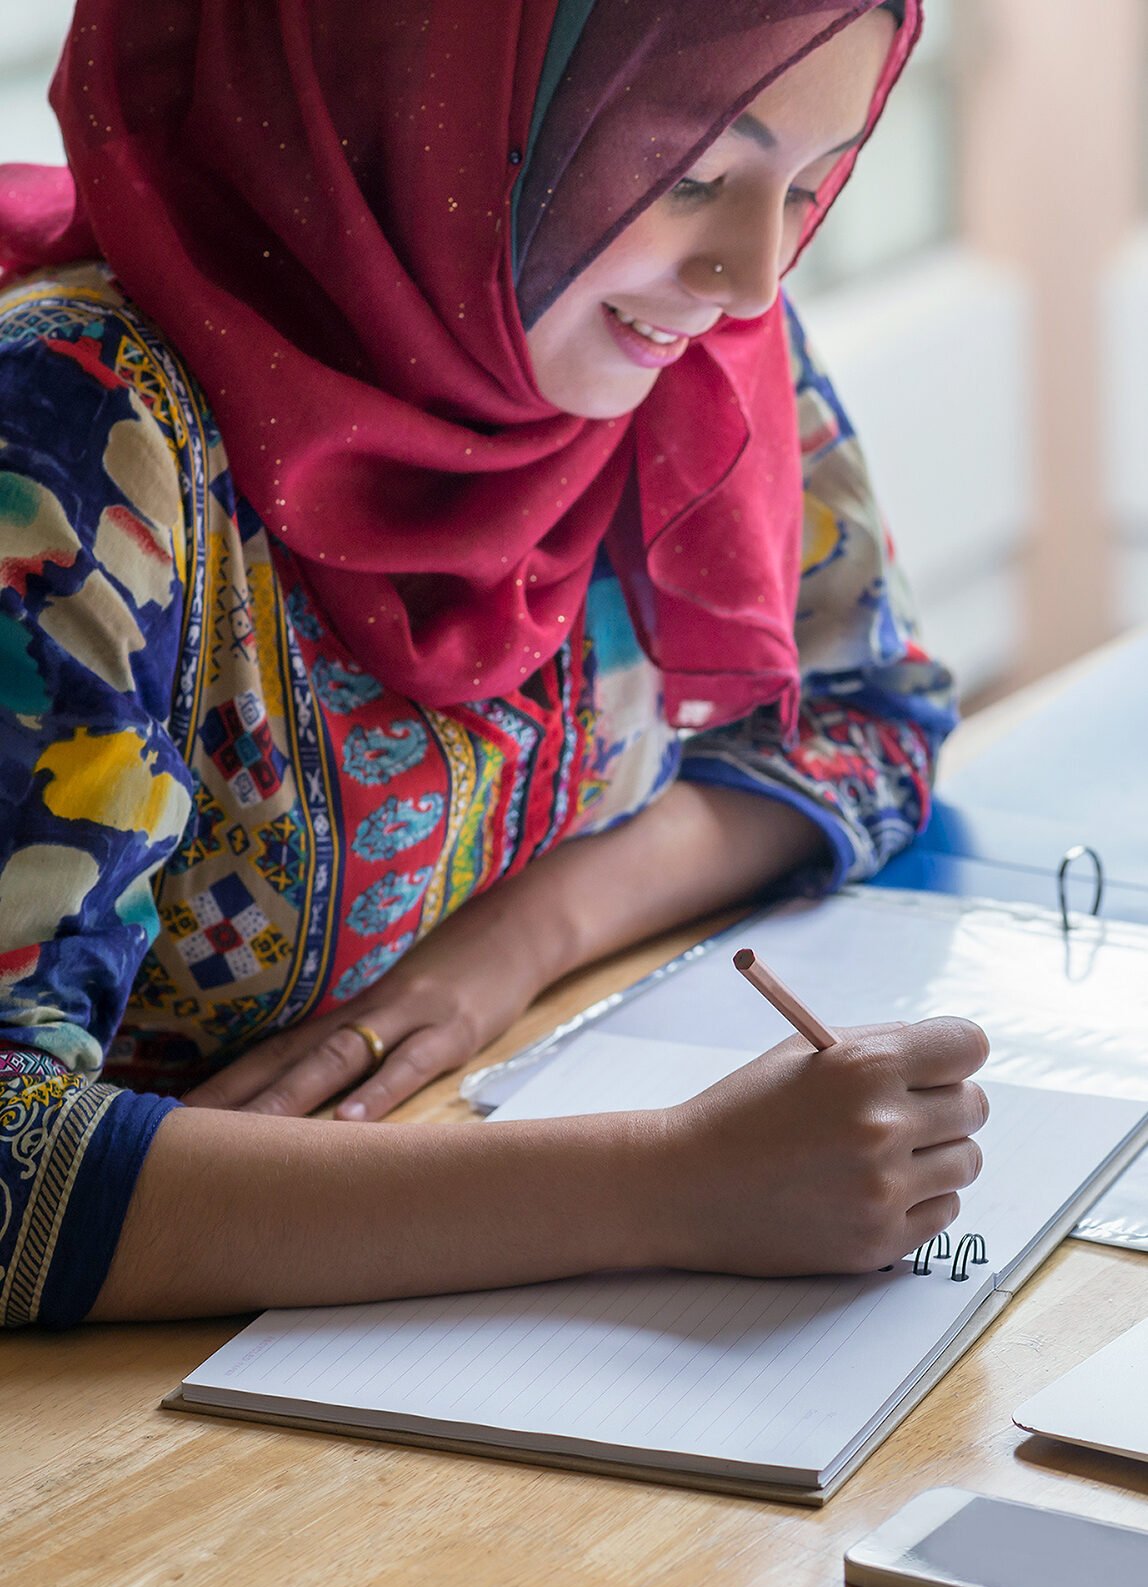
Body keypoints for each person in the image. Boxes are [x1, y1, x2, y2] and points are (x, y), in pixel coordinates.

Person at [0, 0, 988, 1331]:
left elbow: (866, 714)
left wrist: (515, 943)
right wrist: (668, 1187)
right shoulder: (74, 446)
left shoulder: (681, 358)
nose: (754, 276)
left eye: (809, 184)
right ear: (429, 96)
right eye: (688, 171)